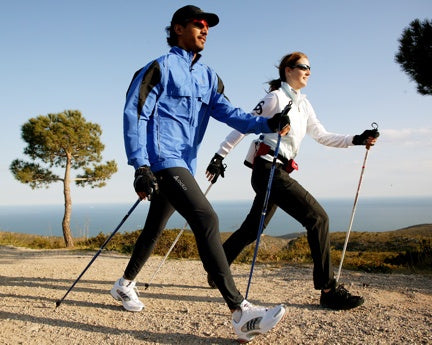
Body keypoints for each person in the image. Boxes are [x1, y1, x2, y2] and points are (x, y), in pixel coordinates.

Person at [110, 5, 290, 343]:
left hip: (184, 164)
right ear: (178, 28)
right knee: (206, 217)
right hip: (162, 161)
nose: (205, 30)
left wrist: (266, 124)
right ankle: (240, 313)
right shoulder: (158, 69)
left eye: (208, 26)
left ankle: (124, 285)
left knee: (153, 229)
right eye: (199, 24)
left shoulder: (209, 77)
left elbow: (230, 112)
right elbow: (134, 114)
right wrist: (140, 166)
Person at [205, 51, 379, 311]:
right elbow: (244, 125)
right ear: (288, 70)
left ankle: (217, 269)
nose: (308, 71)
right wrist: (219, 156)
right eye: (303, 66)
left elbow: (322, 136)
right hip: (267, 170)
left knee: (253, 228)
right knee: (318, 218)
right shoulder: (275, 98)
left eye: (310, 68)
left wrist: (357, 138)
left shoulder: (304, 104)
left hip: (279, 171)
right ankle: (328, 290)